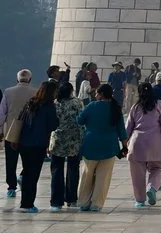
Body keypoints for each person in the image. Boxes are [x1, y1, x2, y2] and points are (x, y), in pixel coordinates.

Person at [75, 83, 124, 212]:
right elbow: (122, 131)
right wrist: (125, 147)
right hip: (109, 146)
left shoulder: (92, 106)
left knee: (87, 174)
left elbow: (80, 120)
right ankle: (97, 204)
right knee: (103, 176)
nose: (95, 95)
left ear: (101, 94)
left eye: (97, 93)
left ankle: (84, 202)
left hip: (91, 143)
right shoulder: (116, 108)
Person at [126, 84, 161, 206]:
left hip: (136, 143)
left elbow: (127, 128)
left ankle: (139, 201)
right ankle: (152, 187)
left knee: (137, 175)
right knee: (159, 169)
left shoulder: (135, 107)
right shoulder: (160, 104)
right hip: (155, 143)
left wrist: (124, 145)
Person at [10, 80, 57, 210]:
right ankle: (28, 203)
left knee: (27, 172)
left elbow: (20, 120)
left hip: (24, 143)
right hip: (38, 144)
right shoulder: (49, 107)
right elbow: (53, 125)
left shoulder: (30, 103)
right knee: (33, 174)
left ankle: (24, 202)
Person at [0, 69, 36, 199]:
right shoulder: (35, 93)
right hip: (28, 132)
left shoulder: (8, 92)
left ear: (17, 79)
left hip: (11, 131)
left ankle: (11, 187)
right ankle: (23, 177)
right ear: (30, 79)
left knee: (11, 161)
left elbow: (2, 113)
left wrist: (0, 130)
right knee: (28, 160)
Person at [48, 80, 86, 209]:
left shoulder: (55, 103)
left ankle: (56, 202)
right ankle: (71, 199)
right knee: (73, 169)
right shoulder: (77, 102)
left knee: (56, 170)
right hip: (74, 139)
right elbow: (82, 119)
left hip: (57, 139)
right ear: (71, 91)